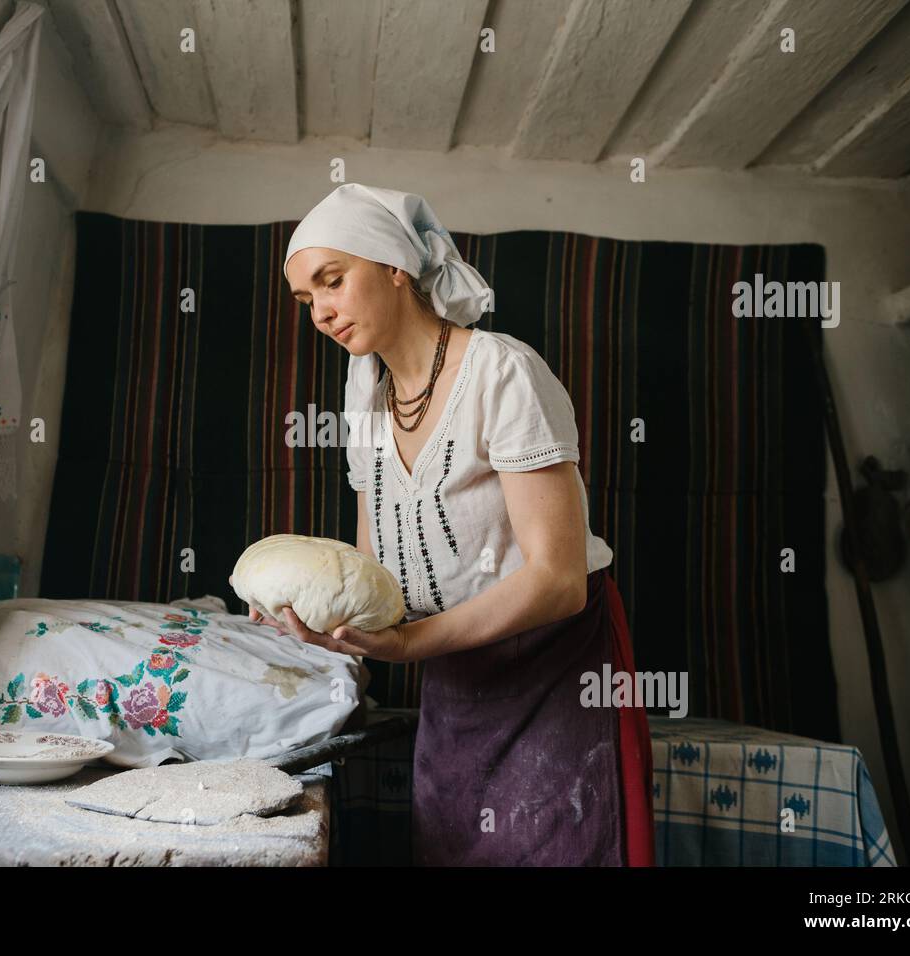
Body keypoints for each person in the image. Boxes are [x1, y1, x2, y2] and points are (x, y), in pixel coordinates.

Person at [258, 183, 654, 866]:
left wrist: (409, 646)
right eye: (306, 300)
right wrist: (336, 626)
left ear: (393, 265)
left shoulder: (501, 371)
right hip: (453, 673)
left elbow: (558, 580)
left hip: (556, 664)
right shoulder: (370, 406)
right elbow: (371, 571)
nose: (321, 312)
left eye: (332, 281)